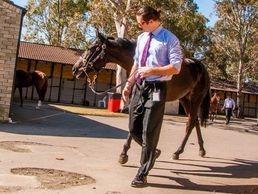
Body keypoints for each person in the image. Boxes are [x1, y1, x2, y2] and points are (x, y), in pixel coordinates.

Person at [122, 6, 183, 187]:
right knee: (133, 128)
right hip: (139, 87)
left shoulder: (170, 39)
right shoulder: (141, 38)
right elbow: (136, 63)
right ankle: (152, 151)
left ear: (151, 21)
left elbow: (176, 67)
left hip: (157, 89)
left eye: (141, 23)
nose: (139, 27)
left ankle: (142, 173)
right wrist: (128, 83)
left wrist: (153, 70)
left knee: (150, 129)